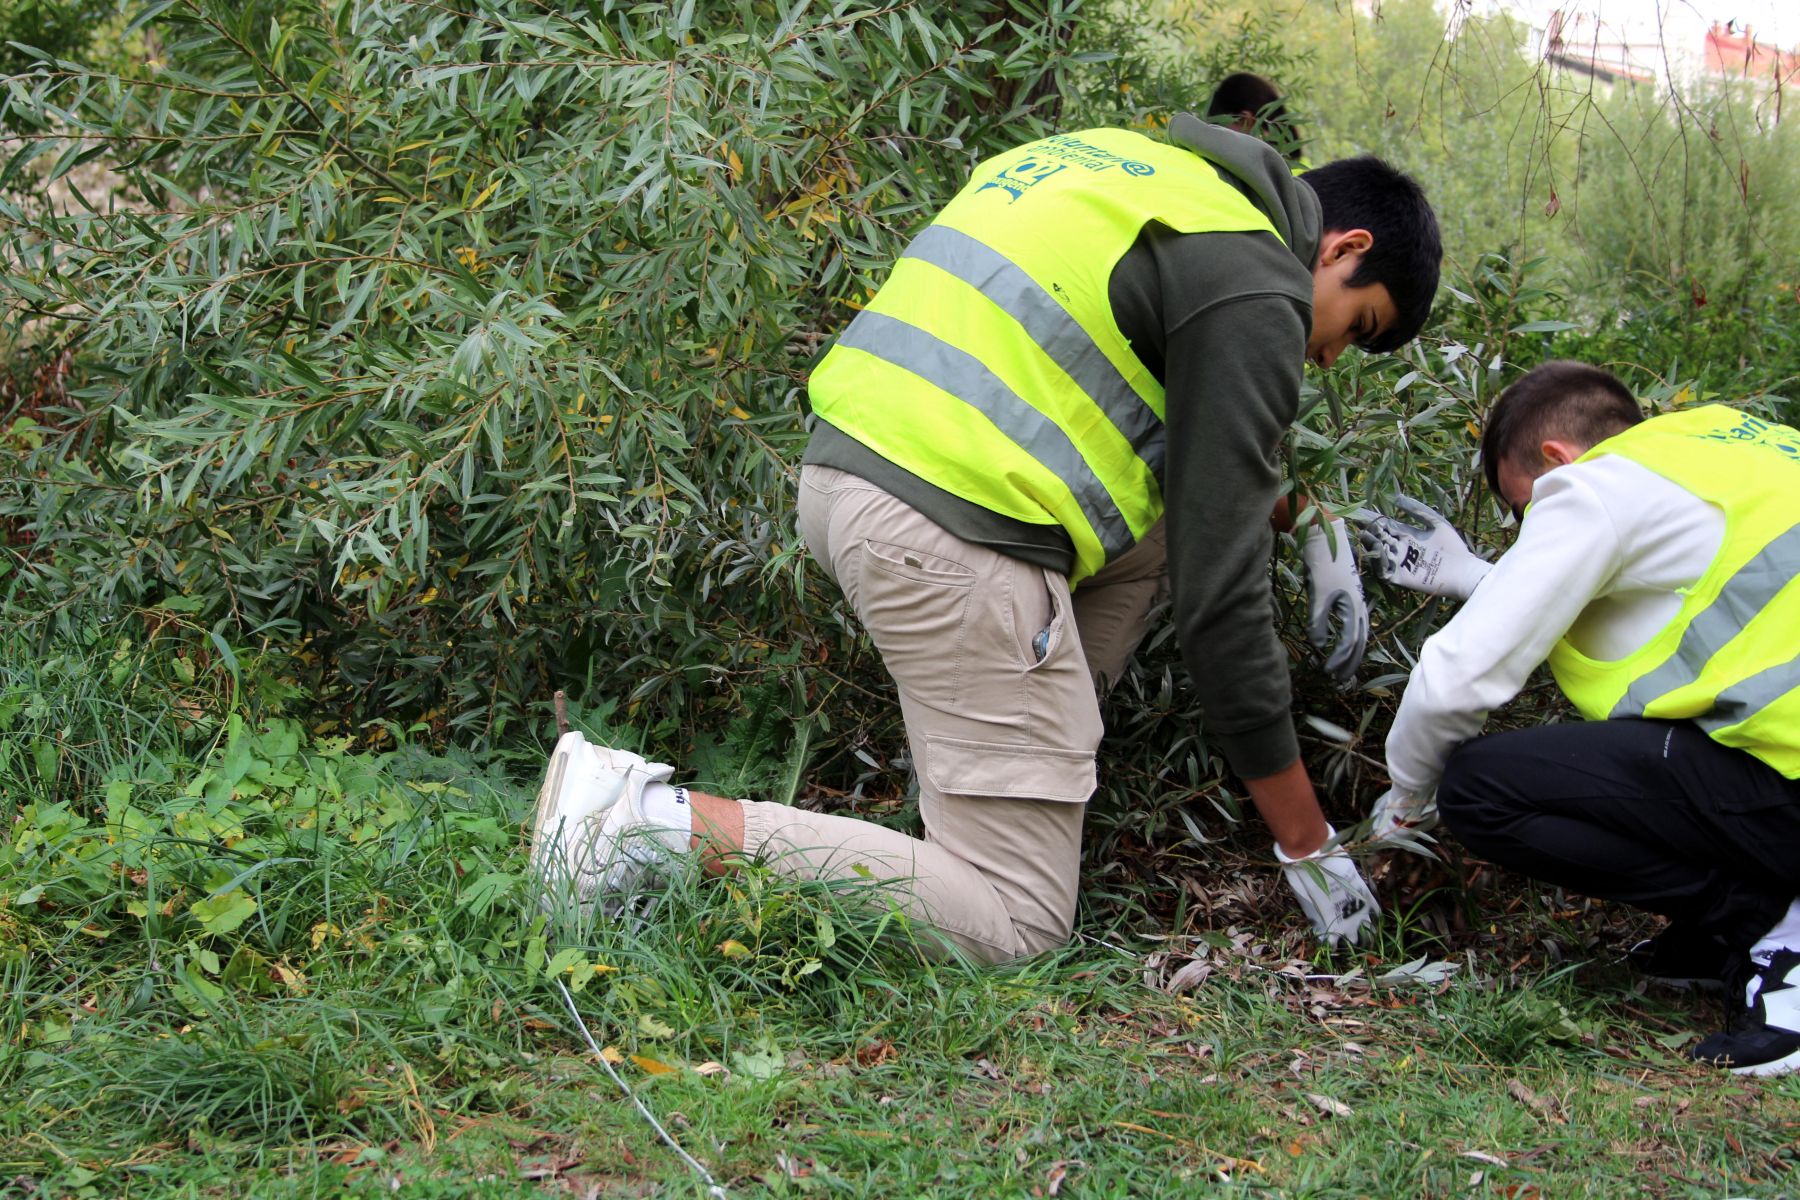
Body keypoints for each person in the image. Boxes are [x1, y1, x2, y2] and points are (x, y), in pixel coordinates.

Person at [531, 114, 1442, 962]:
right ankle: (642, 824)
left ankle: (1025, 748)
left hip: (851, 475)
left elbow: (1199, 471)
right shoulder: (1256, 279)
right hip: (949, 539)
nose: (1325, 359)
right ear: (1344, 248)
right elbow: (1224, 607)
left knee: (1167, 525)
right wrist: (1305, 841)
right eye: (1353, 328)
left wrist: (1303, 517)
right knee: (1018, 923)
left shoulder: (1129, 169)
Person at [1363, 360, 1800, 1076]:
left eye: (1524, 511)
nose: (1531, 528)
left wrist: (1406, 803)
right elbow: (1660, 603)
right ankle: (1730, 926)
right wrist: (1481, 576)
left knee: (1478, 788)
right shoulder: (1727, 441)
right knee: (1663, 743)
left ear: (1557, 460)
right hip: (1782, 768)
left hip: (1789, 791)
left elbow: (1454, 682)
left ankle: (1769, 926)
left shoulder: (1593, 486)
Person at [1206, 72, 1305, 164]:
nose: (1220, 142)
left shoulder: (1262, 173)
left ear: (1245, 119)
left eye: (1219, 128)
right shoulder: (1290, 169)